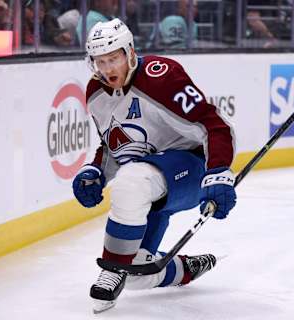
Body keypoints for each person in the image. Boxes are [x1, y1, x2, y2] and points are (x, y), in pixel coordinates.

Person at [72, 18, 237, 313]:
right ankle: (187, 268)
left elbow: (214, 126)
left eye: (114, 58)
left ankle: (110, 268)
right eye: (100, 61)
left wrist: (219, 172)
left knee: (131, 180)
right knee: (135, 273)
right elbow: (113, 147)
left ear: (130, 52)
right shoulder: (96, 93)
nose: (108, 68)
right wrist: (95, 170)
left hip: (190, 170)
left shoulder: (161, 75)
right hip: (149, 189)